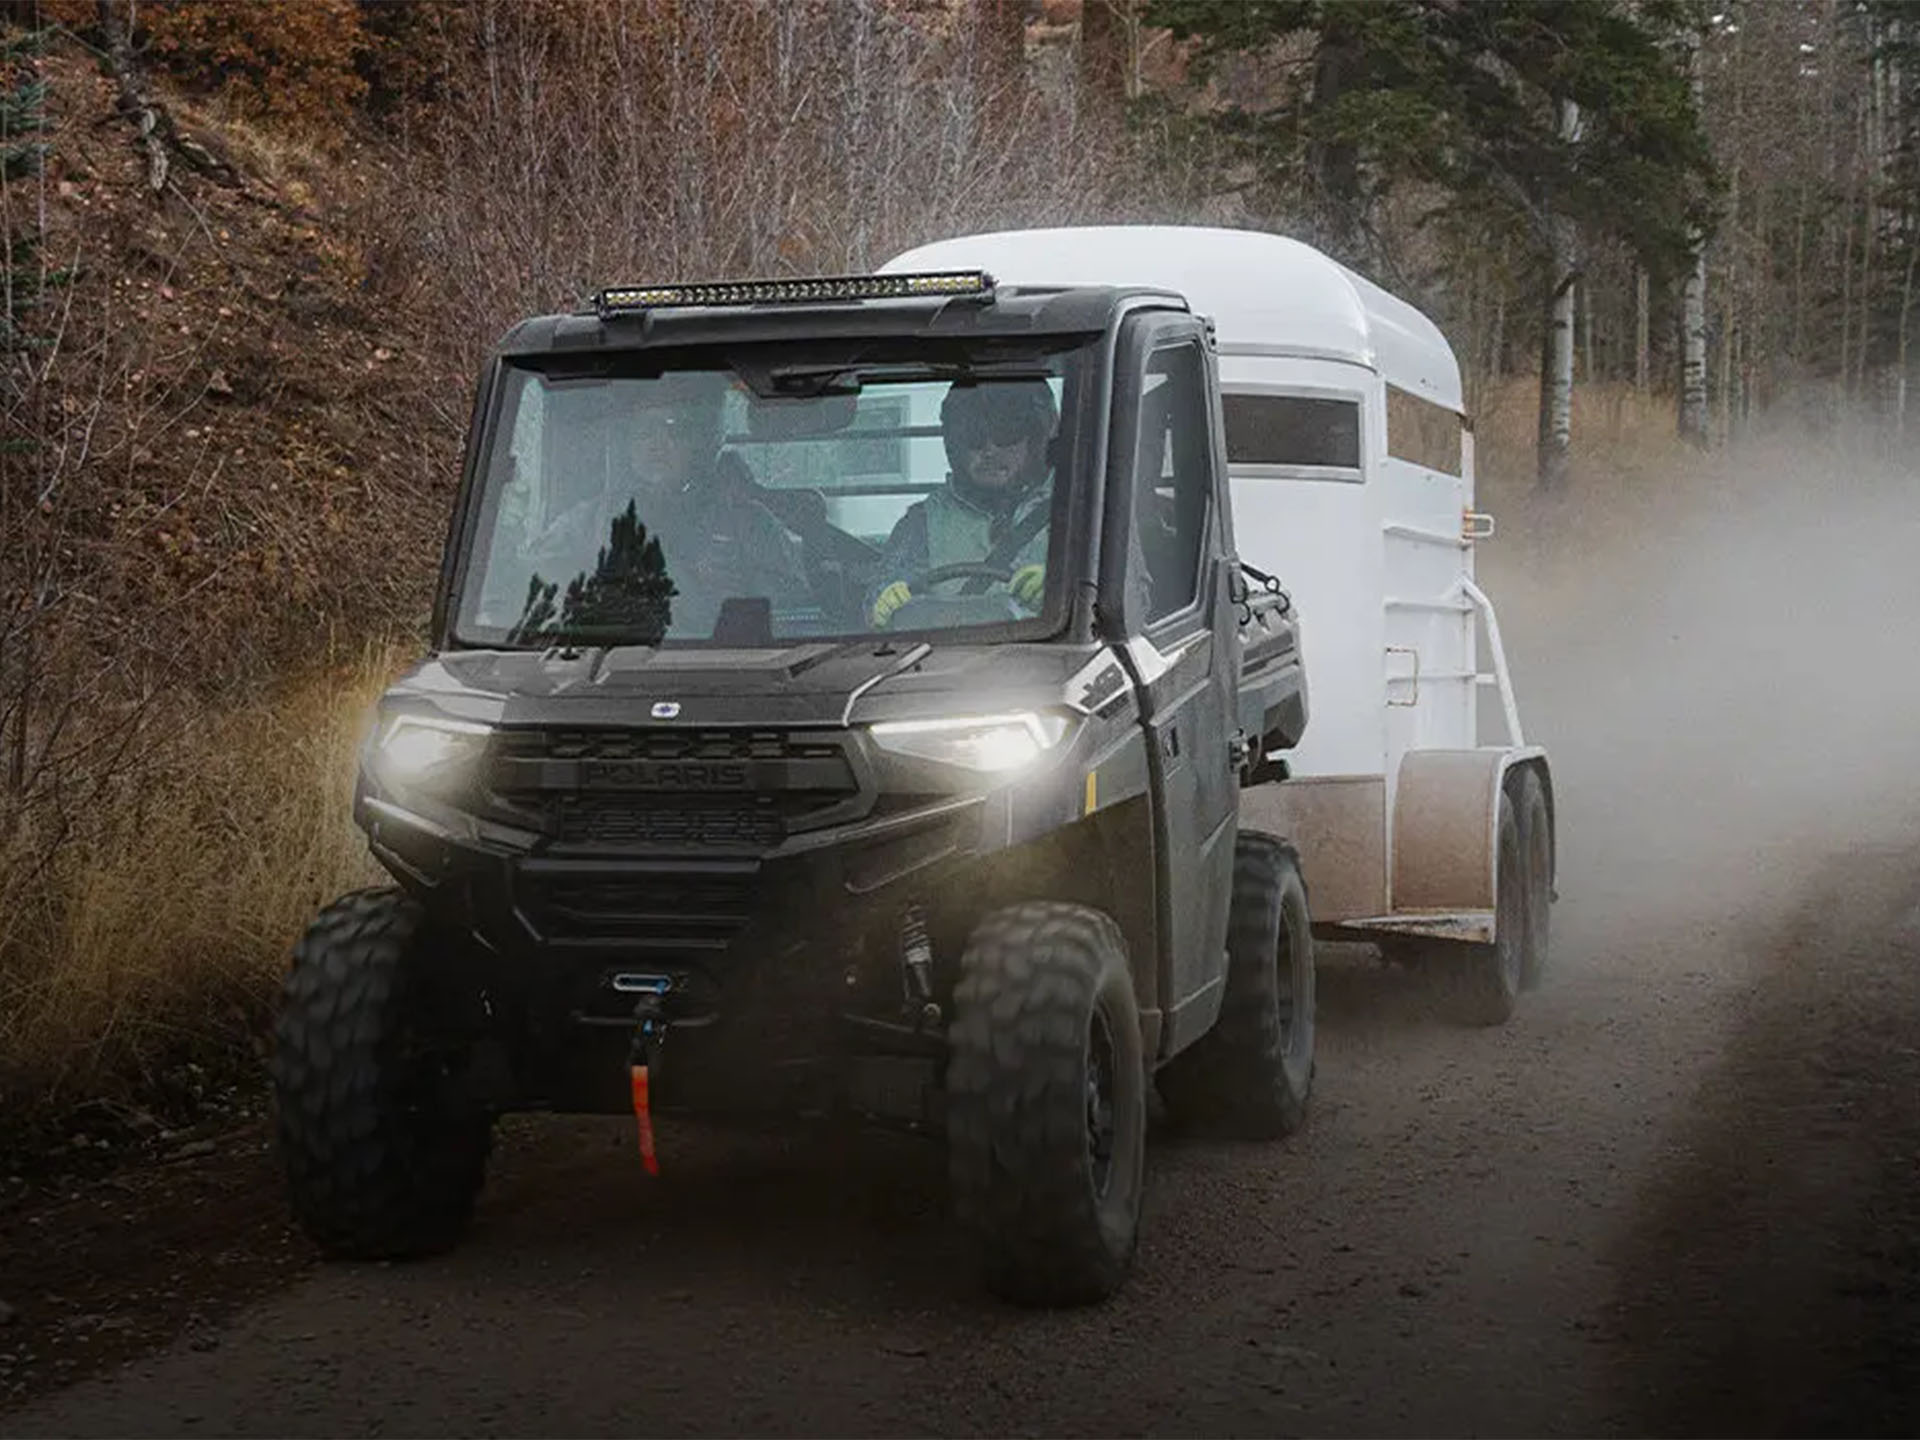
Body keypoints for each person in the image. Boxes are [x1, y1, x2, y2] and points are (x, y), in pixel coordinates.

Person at [512, 370, 814, 639]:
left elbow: (794, 617)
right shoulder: (591, 520)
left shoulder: (748, 522)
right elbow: (529, 590)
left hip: (725, 669)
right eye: (644, 431)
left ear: (702, 442)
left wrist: (735, 592)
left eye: (674, 429)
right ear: (629, 444)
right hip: (616, 667)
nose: (657, 443)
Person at [867, 378, 1058, 628]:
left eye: (1006, 432)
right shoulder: (924, 521)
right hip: (944, 659)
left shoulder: (1079, 508)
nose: (989, 450)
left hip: (1049, 656)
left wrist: (1063, 592)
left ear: (1035, 437)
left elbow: (1109, 606)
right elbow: (878, 599)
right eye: (973, 436)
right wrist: (883, 603)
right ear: (954, 445)